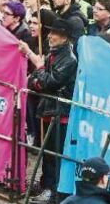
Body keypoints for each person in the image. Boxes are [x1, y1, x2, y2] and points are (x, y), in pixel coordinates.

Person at [19, 19, 78, 203]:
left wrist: (39, 67)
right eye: (51, 32)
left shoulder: (68, 59)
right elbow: (34, 82)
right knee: (47, 153)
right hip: (47, 109)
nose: (50, 36)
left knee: (54, 154)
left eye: (55, 33)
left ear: (65, 38)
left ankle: (54, 190)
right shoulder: (52, 54)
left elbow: (49, 82)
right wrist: (40, 79)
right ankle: (46, 184)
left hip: (60, 113)